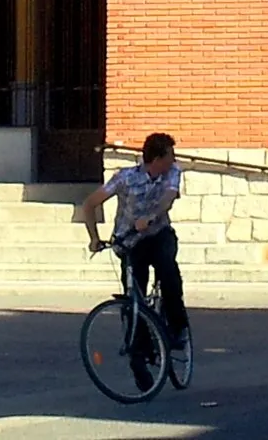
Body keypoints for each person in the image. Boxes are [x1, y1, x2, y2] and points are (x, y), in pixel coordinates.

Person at [78, 132, 188, 342]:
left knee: (168, 270)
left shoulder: (172, 171)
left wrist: (150, 216)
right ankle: (139, 343)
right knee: (133, 292)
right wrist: (94, 238)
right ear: (157, 160)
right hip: (130, 240)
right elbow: (90, 204)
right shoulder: (125, 178)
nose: (173, 160)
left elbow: (168, 197)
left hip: (158, 234)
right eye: (169, 156)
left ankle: (177, 326)